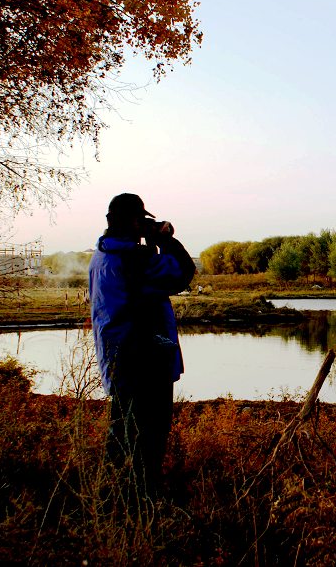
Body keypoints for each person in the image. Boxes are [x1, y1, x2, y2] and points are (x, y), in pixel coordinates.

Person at [89, 193, 196, 496]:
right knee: (149, 435)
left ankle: (112, 497)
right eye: (141, 220)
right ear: (130, 221)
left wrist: (150, 240)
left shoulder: (101, 255)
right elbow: (182, 273)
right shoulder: (134, 259)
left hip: (116, 354)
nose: (144, 225)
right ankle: (140, 503)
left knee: (123, 432)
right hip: (146, 358)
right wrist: (164, 239)